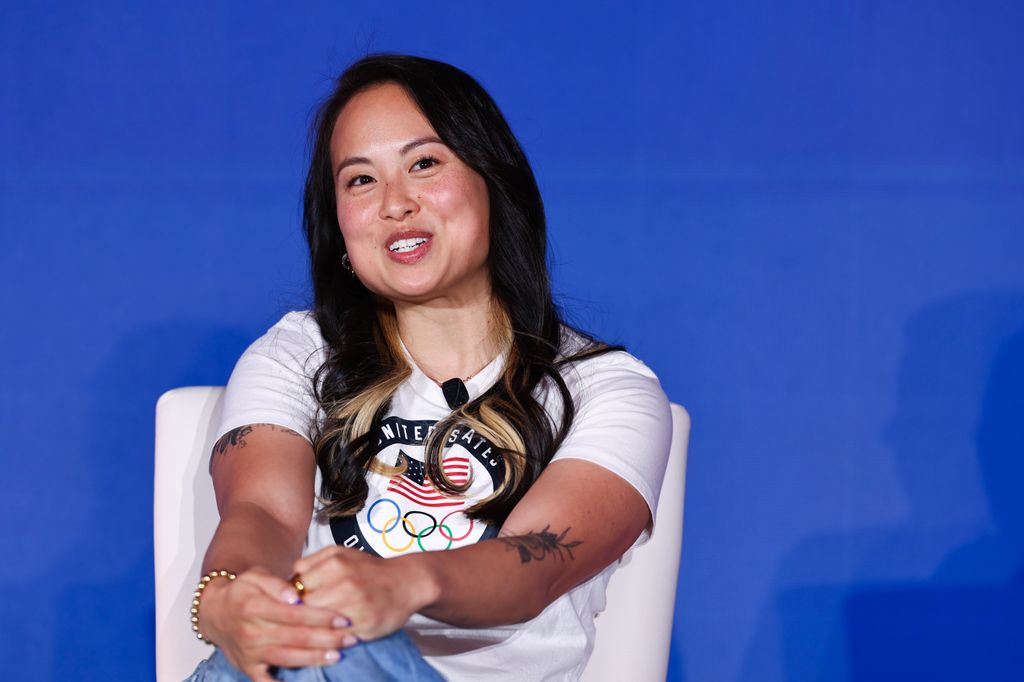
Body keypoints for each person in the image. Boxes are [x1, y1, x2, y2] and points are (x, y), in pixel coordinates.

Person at [187, 54, 672, 681]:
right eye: (360, 180)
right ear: (338, 228)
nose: (395, 203)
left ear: (493, 183)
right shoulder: (300, 354)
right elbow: (263, 514)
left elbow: (535, 563)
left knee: (336, 649)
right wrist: (229, 596)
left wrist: (399, 586)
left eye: (424, 163)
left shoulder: (605, 388)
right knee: (305, 651)